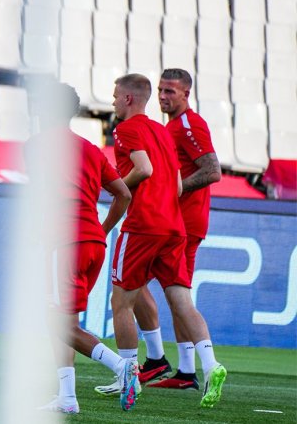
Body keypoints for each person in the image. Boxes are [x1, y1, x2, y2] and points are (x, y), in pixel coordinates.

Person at [103, 74, 226, 408]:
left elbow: (143, 169)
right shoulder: (161, 129)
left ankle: (127, 376)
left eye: (115, 96)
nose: (112, 102)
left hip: (143, 225)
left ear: (128, 99)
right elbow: (174, 180)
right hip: (174, 226)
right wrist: (166, 204)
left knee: (120, 302)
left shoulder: (127, 129)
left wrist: (114, 185)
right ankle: (210, 364)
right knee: (182, 301)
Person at [30, 83, 139, 414]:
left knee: (57, 321)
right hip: (92, 242)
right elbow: (124, 193)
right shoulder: (92, 150)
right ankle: (67, 397)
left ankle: (123, 367)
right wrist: (103, 229)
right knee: (64, 321)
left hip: (63, 242)